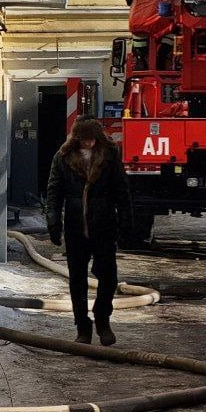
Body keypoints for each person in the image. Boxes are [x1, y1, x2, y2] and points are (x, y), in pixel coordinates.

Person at [46, 117, 134, 346]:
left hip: (104, 224)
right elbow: (54, 192)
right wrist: (53, 222)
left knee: (109, 277)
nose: (89, 144)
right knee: (77, 280)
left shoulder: (110, 156)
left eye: (92, 140)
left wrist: (126, 223)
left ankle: (103, 319)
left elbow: (122, 191)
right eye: (84, 140)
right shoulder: (63, 157)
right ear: (77, 139)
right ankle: (82, 327)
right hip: (75, 227)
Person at [125, 0, 177, 71]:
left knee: (138, 31)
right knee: (175, 28)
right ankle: (163, 54)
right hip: (161, 15)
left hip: (138, 17)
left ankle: (141, 57)